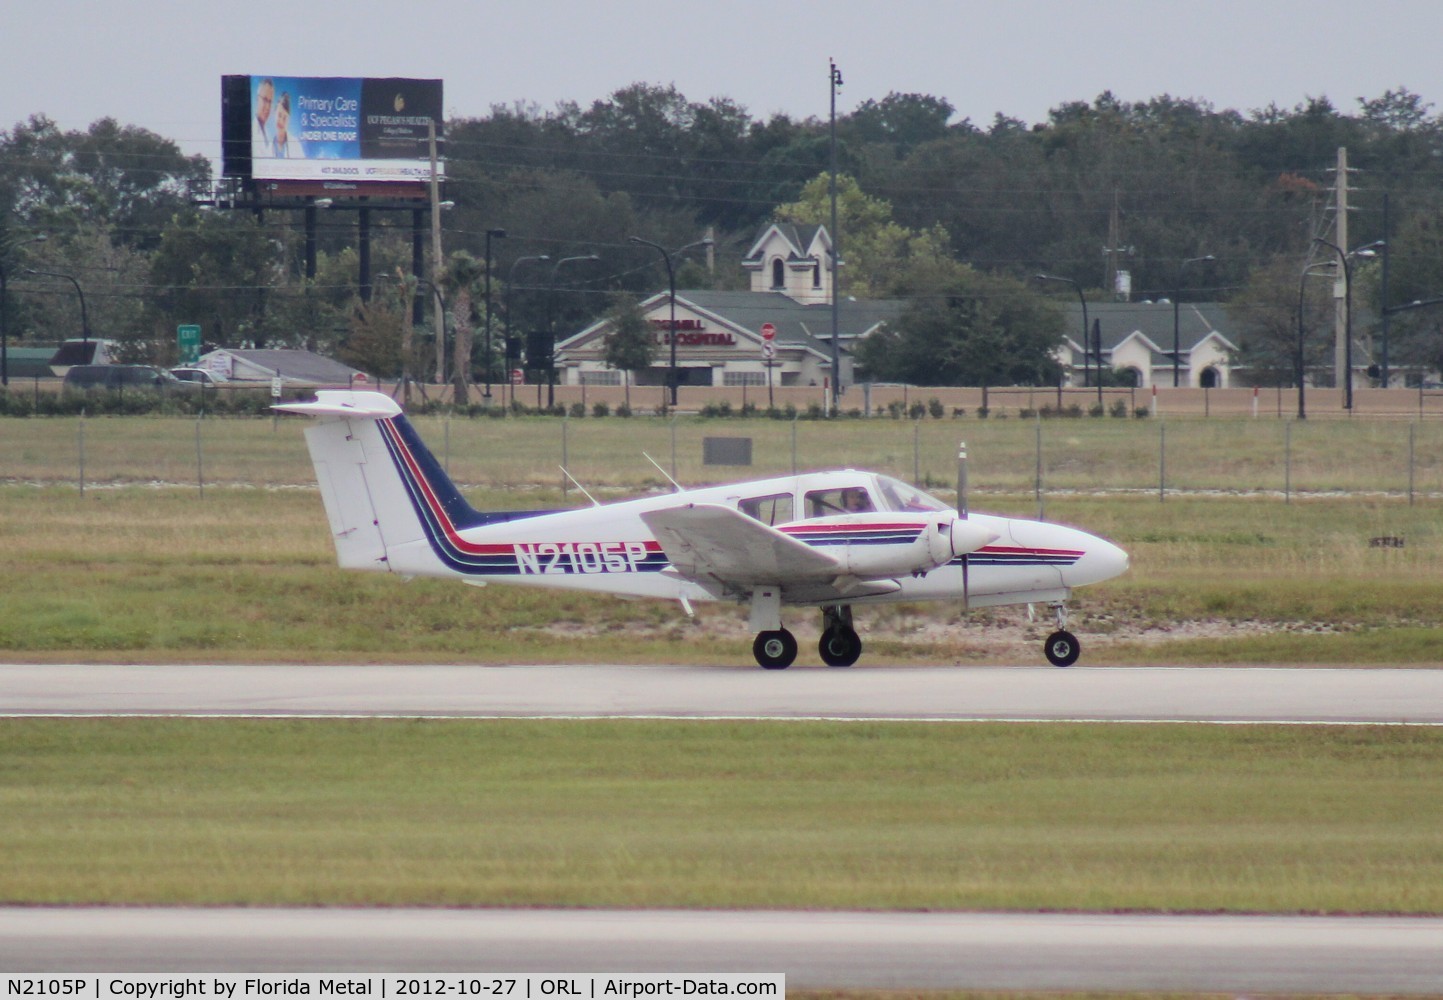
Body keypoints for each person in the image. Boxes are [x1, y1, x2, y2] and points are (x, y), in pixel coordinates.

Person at [251, 78, 274, 161]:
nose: (267, 107)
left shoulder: (269, 135)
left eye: (270, 102)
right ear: (257, 99)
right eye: (264, 100)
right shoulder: (250, 132)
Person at [272, 92, 298, 158]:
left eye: (285, 118)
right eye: (279, 115)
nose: (281, 121)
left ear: (288, 120)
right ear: (274, 114)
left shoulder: (296, 145)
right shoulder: (265, 146)